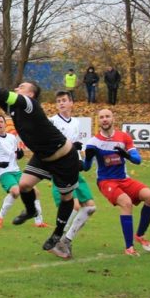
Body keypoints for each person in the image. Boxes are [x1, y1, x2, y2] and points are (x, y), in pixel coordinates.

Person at [0, 62, 81, 254]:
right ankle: (31, 211)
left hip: (64, 157)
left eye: (23, 87)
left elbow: (1, 93)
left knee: (66, 197)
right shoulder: (14, 108)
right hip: (43, 156)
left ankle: (58, 234)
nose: (18, 87)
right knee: (25, 185)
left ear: (31, 94)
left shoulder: (29, 104)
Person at [83, 107, 150, 256]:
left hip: (124, 179)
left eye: (107, 116)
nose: (104, 119)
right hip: (106, 181)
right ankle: (129, 247)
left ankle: (140, 235)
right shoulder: (93, 142)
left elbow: (138, 160)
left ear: (113, 119)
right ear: (99, 121)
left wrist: (126, 155)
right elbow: (86, 167)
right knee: (126, 203)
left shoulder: (123, 137)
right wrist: (87, 157)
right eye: (102, 117)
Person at [47, 91, 98, 259]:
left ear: (71, 103)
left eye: (64, 100)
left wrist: (80, 158)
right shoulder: (52, 122)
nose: (61, 103)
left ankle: (65, 240)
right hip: (61, 170)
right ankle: (57, 241)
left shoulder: (76, 122)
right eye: (58, 101)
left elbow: (76, 145)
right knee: (74, 206)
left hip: (74, 169)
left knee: (90, 207)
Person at [0, 114, 44, 229]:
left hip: (16, 170)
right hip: (4, 172)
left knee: (35, 192)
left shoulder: (11, 137)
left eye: (1, 121)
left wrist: (20, 155)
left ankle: (39, 222)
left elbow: (16, 154)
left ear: (5, 124)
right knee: (15, 192)